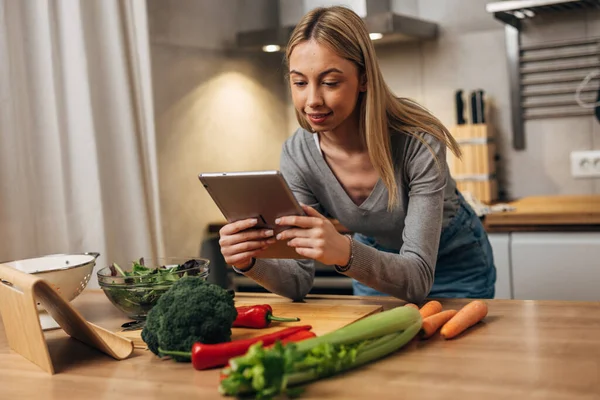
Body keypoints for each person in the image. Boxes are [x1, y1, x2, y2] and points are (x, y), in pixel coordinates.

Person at [217, 5, 496, 304]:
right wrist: (249, 261)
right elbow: (297, 281)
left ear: (364, 79)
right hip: (371, 268)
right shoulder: (298, 154)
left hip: (455, 267)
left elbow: (417, 278)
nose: (312, 100)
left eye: (330, 82)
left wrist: (343, 250)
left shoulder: (418, 141)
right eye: (299, 82)